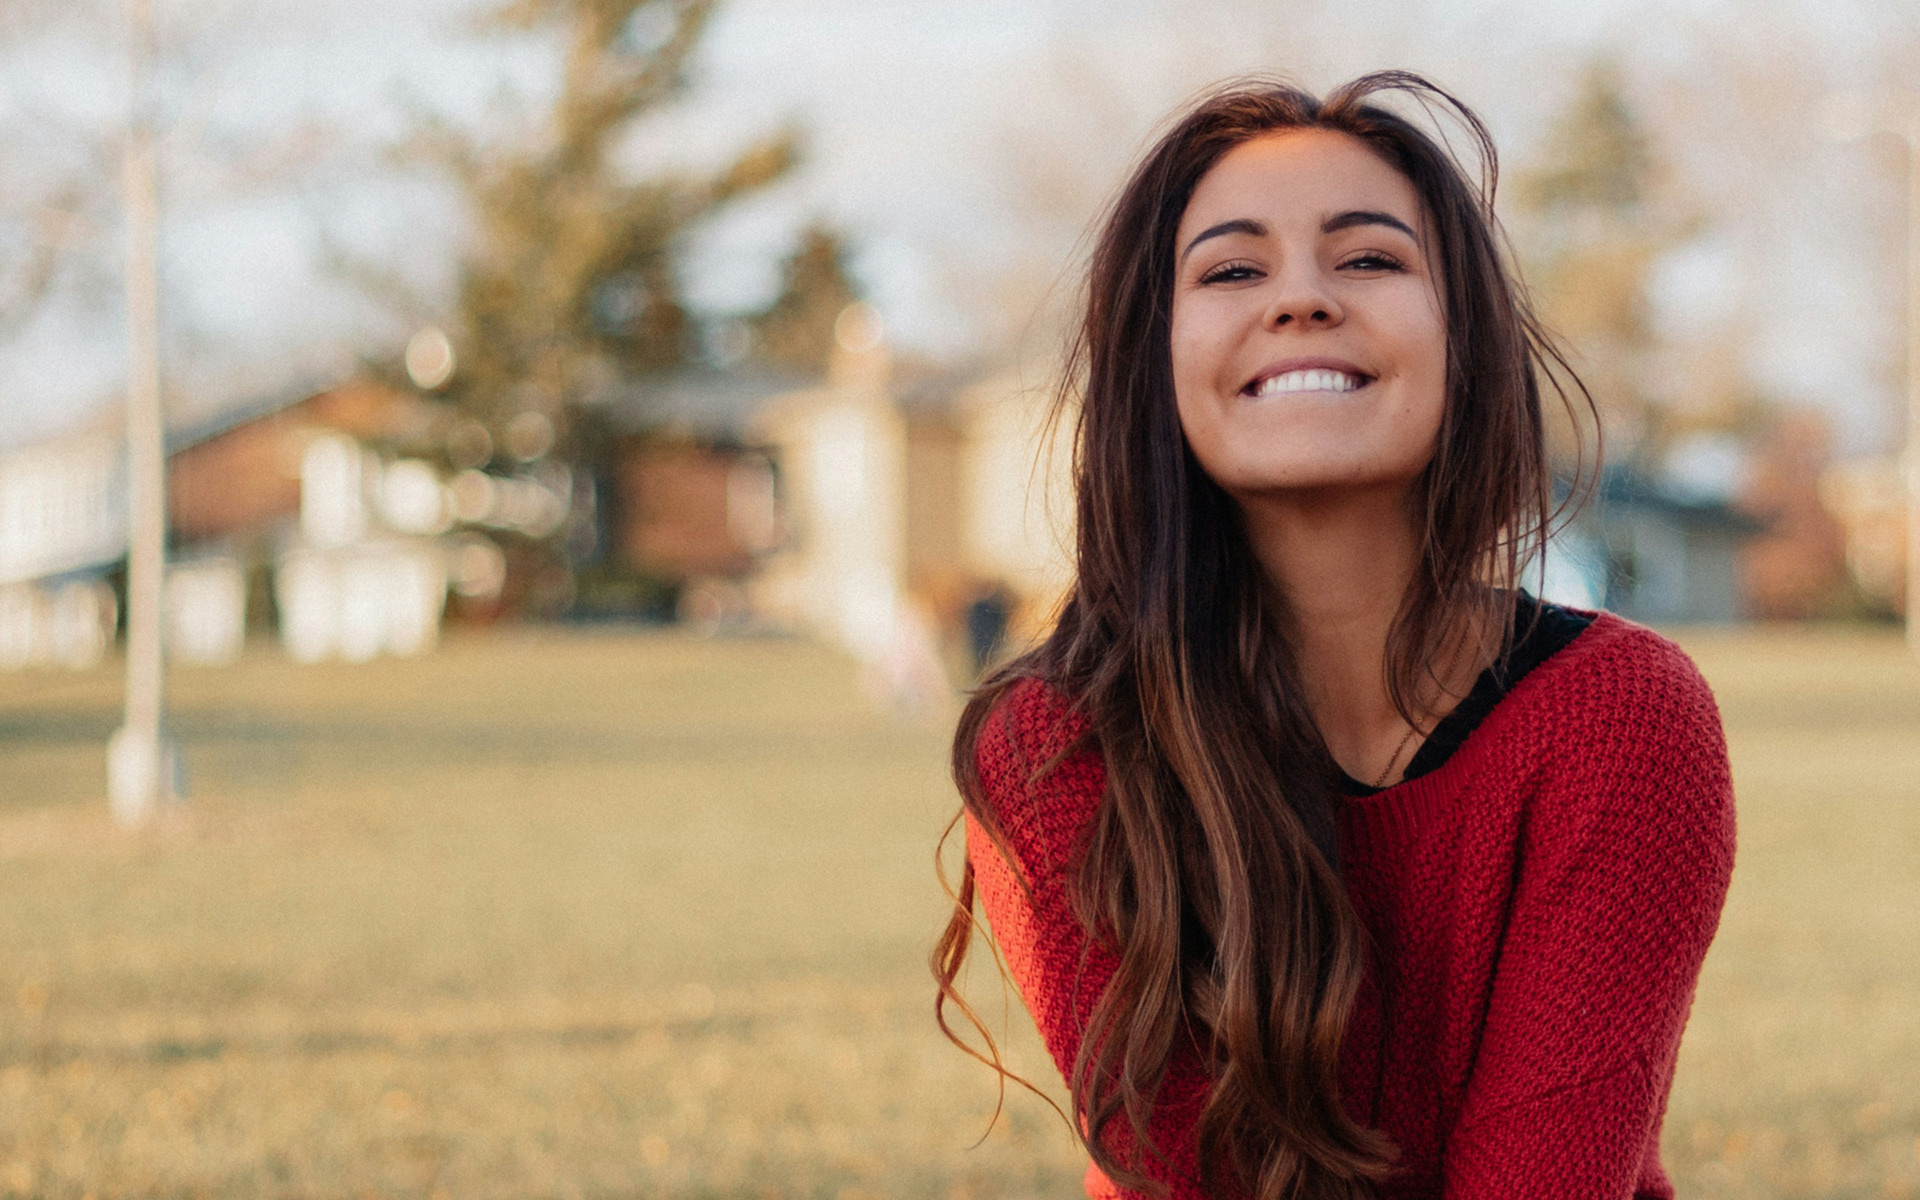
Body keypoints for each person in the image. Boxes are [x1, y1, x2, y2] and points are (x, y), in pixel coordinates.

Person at [931, 72, 1735, 1200]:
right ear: (1154, 362)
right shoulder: (1053, 749)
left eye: (1369, 258)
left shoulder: (1621, 716)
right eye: (1232, 269)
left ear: (1465, 339)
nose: (1301, 298)